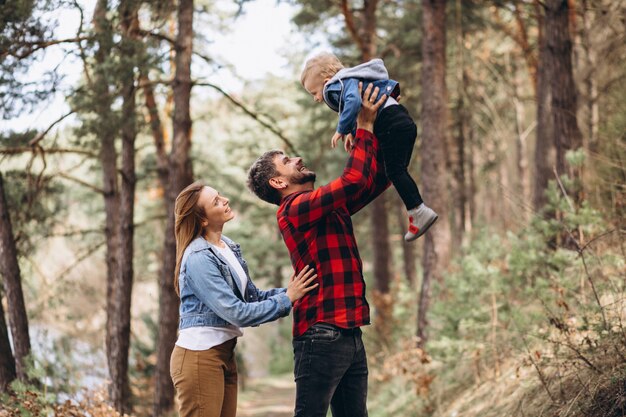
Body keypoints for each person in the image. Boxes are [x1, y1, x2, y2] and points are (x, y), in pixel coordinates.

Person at [247, 83, 387, 417]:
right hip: (320, 334)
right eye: (286, 161)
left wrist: (375, 132)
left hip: (349, 332)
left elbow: (373, 180)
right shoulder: (294, 209)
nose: (296, 158)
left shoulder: (322, 207)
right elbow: (352, 182)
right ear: (279, 183)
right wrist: (363, 126)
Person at [170, 181, 318, 417]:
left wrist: (291, 291)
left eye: (220, 195)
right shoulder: (198, 257)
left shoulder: (226, 247)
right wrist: (288, 298)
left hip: (224, 353)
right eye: (216, 201)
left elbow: (252, 298)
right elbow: (237, 312)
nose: (225, 200)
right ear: (203, 220)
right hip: (200, 357)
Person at [300, 52, 438, 241]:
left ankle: (418, 210)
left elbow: (354, 101)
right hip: (401, 118)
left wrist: (342, 129)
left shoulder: (332, 89)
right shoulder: (352, 80)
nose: (316, 98)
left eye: (314, 93)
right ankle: (417, 212)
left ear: (326, 82)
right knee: (395, 170)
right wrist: (353, 132)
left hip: (388, 123)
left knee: (395, 171)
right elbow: (358, 104)